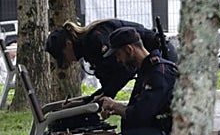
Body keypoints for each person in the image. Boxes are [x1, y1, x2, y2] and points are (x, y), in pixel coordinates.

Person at [96, 26, 178, 135]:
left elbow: (140, 114)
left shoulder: (159, 73)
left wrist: (114, 106)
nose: (118, 60)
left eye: (118, 54)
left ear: (129, 49)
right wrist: (115, 109)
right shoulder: (146, 71)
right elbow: (139, 109)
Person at [45, 18, 177, 98]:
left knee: (140, 113)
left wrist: (103, 98)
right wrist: (90, 100)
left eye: (63, 56)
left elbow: (124, 71)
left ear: (68, 44)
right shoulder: (89, 47)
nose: (67, 61)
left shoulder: (95, 40)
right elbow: (108, 82)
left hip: (161, 56)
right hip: (151, 61)